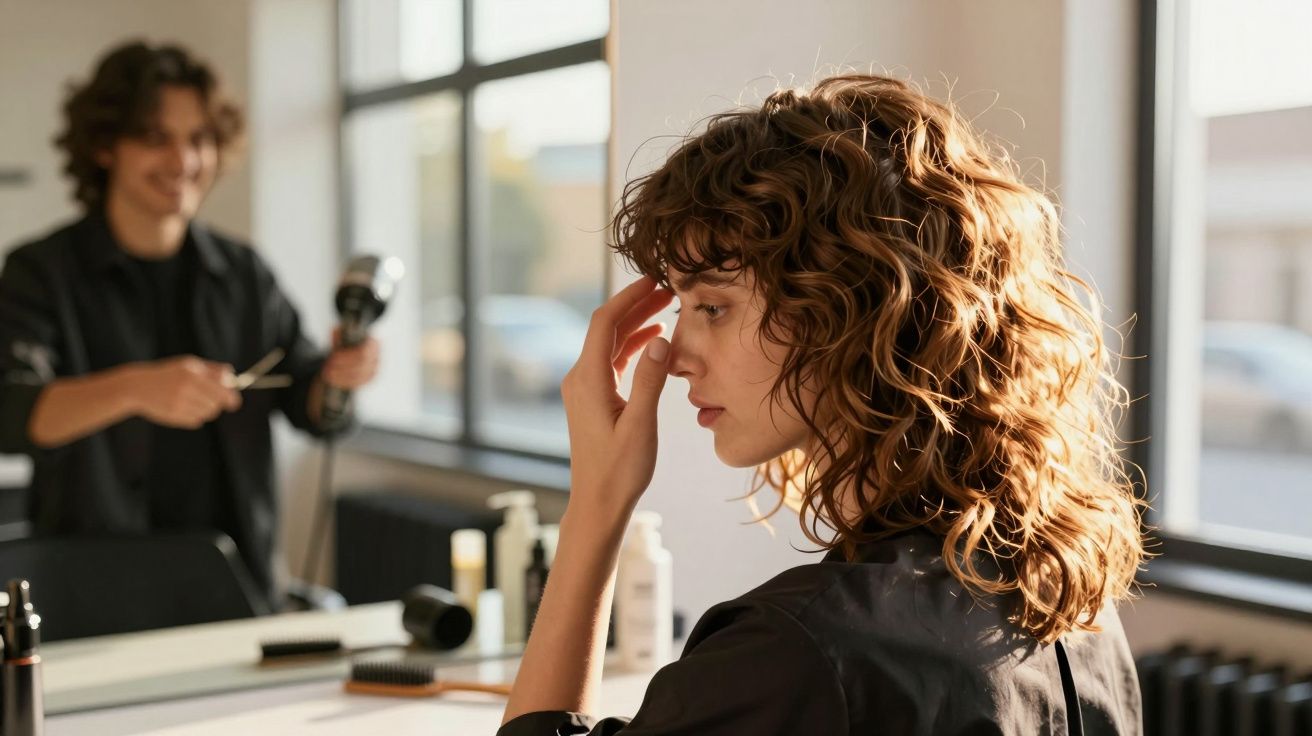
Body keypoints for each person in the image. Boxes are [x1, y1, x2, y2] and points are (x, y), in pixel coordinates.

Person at [498, 74, 1146, 734]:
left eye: (713, 308)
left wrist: (596, 505)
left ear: (851, 314)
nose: (676, 356)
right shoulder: (1066, 598)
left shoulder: (794, 658)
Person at [0, 42, 379, 608]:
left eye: (199, 138)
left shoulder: (245, 273)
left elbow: (310, 403)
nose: (183, 160)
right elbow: (12, 413)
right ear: (105, 146)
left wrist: (341, 377)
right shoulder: (41, 272)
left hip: (237, 585)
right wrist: (135, 388)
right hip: (88, 587)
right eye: (156, 138)